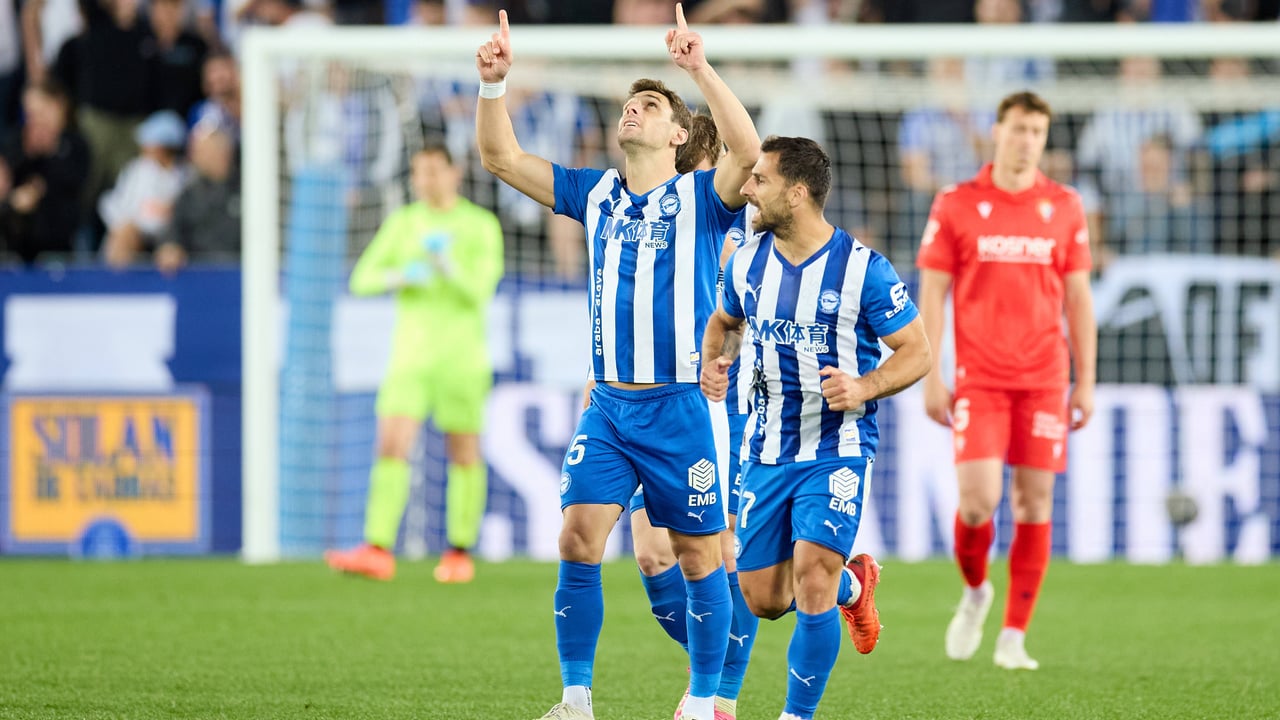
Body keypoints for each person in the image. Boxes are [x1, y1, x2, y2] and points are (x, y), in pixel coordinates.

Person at [475, 5, 759, 719]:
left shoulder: (702, 196)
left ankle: (704, 698)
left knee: (697, 559)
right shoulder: (596, 194)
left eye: (651, 104)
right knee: (577, 536)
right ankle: (575, 699)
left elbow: (748, 155)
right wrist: (493, 86)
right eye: (631, 103)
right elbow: (502, 159)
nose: (634, 109)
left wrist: (696, 69)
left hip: (679, 407)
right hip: (608, 407)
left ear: (677, 133)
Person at [701, 135, 931, 720]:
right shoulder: (748, 259)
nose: (747, 190)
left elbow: (918, 352)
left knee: (812, 576)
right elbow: (724, 320)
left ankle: (795, 715)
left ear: (797, 193)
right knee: (762, 600)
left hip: (838, 447)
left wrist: (864, 387)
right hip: (765, 449)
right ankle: (857, 586)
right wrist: (716, 359)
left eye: (761, 180)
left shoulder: (863, 270)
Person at [915, 91, 1097, 671]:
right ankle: (975, 592)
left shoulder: (1065, 206)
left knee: (1034, 501)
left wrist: (1085, 380)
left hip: (1045, 378)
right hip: (980, 379)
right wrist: (930, 375)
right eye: (1018, 129)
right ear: (997, 131)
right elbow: (933, 294)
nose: (1027, 141)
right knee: (978, 503)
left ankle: (1014, 636)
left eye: (1038, 131)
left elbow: (1078, 299)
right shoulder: (957, 203)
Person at [614, 113, 757, 720]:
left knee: (722, 555)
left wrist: (725, 354)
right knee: (652, 557)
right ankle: (849, 587)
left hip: (723, 405)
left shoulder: (732, 222)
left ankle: (716, 700)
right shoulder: (647, 219)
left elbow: (748, 306)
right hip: (657, 403)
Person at [324, 143, 503, 584]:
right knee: (390, 447)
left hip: (462, 359)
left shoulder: (480, 226)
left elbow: (481, 290)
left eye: (433, 172)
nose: (425, 181)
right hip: (409, 357)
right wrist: (400, 275)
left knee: (462, 452)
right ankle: (377, 547)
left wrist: (447, 267)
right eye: (418, 173)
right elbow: (361, 279)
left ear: (454, 173)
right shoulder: (403, 224)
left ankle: (459, 551)